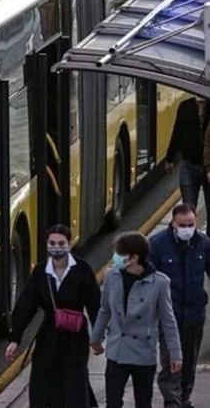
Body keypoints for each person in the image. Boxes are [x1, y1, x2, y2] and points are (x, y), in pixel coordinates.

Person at [5, 224, 101, 408]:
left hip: (76, 338)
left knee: (75, 385)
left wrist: (97, 337)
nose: (56, 247)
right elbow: (27, 305)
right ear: (47, 244)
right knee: (43, 385)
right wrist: (15, 338)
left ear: (69, 244)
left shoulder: (82, 270)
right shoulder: (41, 272)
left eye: (61, 242)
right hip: (48, 337)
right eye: (52, 243)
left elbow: (95, 304)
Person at [90, 231, 182, 408]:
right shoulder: (112, 276)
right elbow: (105, 310)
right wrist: (95, 338)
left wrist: (175, 354)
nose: (115, 258)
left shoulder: (159, 283)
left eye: (119, 254)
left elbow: (168, 321)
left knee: (143, 402)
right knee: (113, 403)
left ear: (133, 258)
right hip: (117, 352)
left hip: (143, 355)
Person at [149, 203, 210, 408]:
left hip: (194, 313)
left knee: (189, 361)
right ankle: (172, 400)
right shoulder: (157, 245)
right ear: (173, 224)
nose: (187, 229)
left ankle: (184, 397)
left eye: (191, 224)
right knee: (172, 360)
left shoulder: (203, 244)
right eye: (182, 225)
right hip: (169, 315)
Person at [165, 96, 210, 236]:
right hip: (189, 164)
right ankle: (189, 240)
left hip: (208, 168)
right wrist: (169, 158)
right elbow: (178, 132)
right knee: (188, 207)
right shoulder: (185, 107)